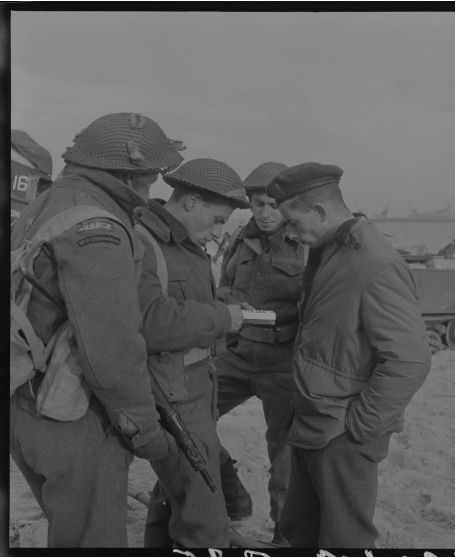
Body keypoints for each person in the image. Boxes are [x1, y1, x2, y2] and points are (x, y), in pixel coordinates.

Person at [10, 112, 183, 547]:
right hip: (69, 414)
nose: (154, 185)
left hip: (24, 399)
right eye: (153, 174)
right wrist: (144, 430)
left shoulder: (47, 203)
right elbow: (111, 348)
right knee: (94, 541)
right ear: (132, 173)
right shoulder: (97, 225)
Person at [266, 162, 431, 547]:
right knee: (300, 530)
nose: (288, 232)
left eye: (291, 221)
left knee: (344, 538)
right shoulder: (328, 249)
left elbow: (410, 361)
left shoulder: (374, 262)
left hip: (341, 432)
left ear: (320, 212)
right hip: (311, 419)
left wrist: (360, 428)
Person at [138, 158, 250, 548]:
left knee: (176, 494)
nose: (219, 230)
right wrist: (223, 318)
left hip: (195, 386)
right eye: (218, 219)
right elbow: (150, 322)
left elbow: (181, 301)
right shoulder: (145, 242)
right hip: (172, 390)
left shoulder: (184, 243)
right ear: (191, 202)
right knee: (201, 511)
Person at [215, 162, 306, 546]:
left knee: (284, 459)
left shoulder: (307, 242)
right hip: (237, 354)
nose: (266, 213)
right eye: (257, 204)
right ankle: (232, 498)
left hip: (282, 363)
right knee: (186, 418)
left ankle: (284, 541)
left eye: (273, 204)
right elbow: (226, 288)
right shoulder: (241, 237)